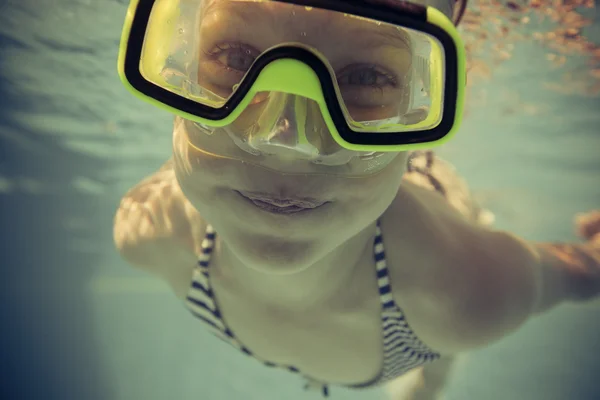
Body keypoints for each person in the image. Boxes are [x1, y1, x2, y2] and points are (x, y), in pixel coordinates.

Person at [113, 0, 600, 398]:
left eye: (365, 78)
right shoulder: (150, 231)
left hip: (411, 322)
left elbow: (580, 273)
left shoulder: (465, 293)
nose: (287, 143)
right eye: (236, 58)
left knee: (436, 369)